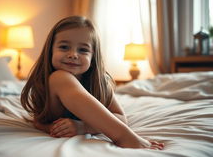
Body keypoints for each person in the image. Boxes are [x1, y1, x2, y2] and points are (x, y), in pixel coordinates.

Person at [21, 16, 164, 149]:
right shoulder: (51, 80)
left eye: (83, 50)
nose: (73, 54)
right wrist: (53, 127)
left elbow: (121, 118)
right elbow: (39, 121)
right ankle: (124, 136)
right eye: (64, 47)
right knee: (61, 77)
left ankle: (124, 136)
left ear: (93, 56)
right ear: (50, 50)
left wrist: (83, 127)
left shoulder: (100, 82)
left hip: (88, 123)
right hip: (57, 88)